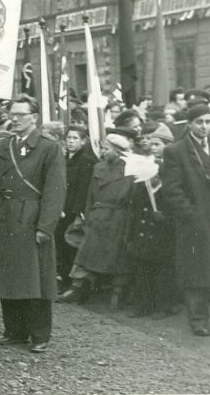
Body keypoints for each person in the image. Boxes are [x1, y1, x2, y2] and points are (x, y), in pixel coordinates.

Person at [0, 95, 65, 353]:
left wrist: (45, 226)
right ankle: (14, 330)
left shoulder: (49, 147)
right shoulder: (4, 145)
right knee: (8, 275)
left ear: (34, 117)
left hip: (31, 217)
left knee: (35, 277)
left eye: (20, 114)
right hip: (4, 215)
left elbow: (55, 191)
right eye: (12, 114)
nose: (14, 119)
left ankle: (40, 334)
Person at [58, 129, 137, 309]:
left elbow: (133, 200)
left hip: (119, 218)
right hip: (98, 216)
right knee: (86, 252)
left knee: (119, 257)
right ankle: (76, 288)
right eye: (102, 148)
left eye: (106, 148)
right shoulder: (99, 167)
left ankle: (118, 292)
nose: (103, 152)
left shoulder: (130, 169)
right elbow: (90, 196)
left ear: (118, 150)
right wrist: (88, 216)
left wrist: (128, 223)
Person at [161, 104, 210, 336]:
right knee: (196, 273)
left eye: (208, 122)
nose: (204, 126)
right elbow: (172, 190)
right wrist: (190, 215)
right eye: (199, 122)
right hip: (194, 222)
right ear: (189, 124)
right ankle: (199, 320)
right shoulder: (175, 151)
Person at [124, 123, 176, 319]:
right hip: (144, 221)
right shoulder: (144, 165)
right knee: (143, 267)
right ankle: (143, 305)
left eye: (158, 144)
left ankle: (163, 306)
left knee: (163, 268)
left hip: (164, 225)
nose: (153, 147)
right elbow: (137, 196)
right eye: (152, 144)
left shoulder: (173, 166)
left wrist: (166, 215)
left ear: (168, 146)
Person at [54, 126, 96, 292]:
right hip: (61, 206)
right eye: (69, 138)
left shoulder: (85, 160)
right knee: (61, 245)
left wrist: (77, 210)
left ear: (83, 141)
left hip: (72, 209)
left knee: (70, 244)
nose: (71, 141)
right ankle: (63, 278)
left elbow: (83, 188)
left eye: (75, 138)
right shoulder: (63, 157)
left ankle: (73, 283)